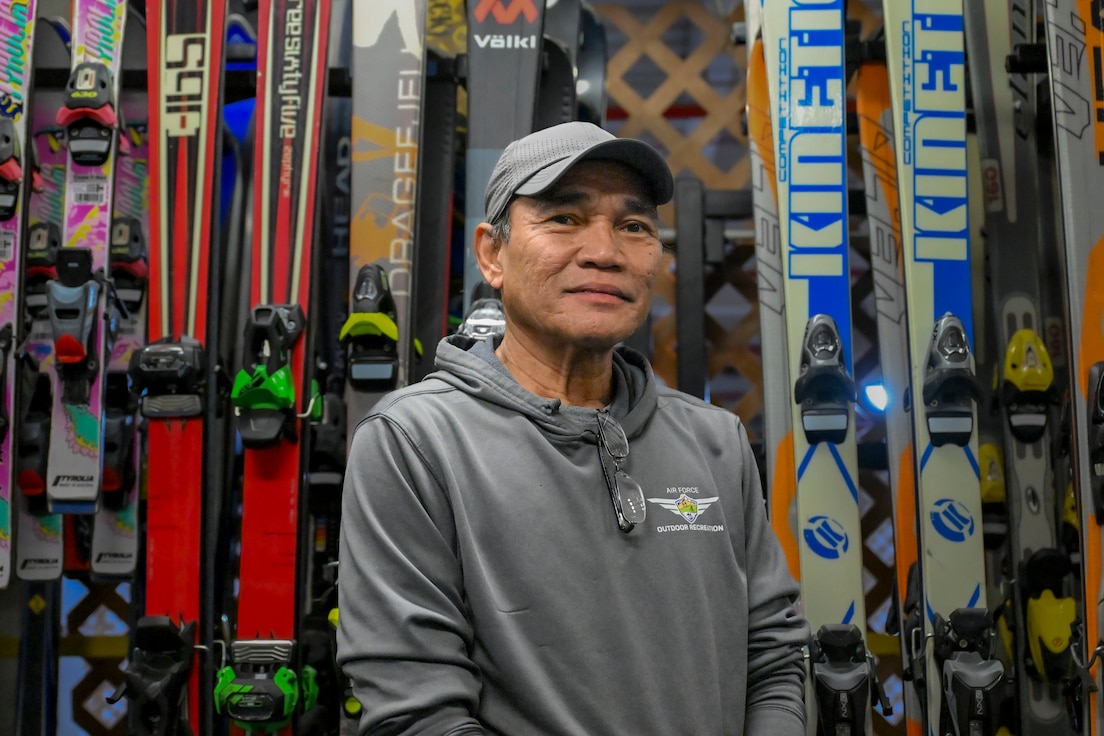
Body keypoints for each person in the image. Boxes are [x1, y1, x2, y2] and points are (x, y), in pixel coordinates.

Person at [337, 121, 809, 735]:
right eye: (564, 219)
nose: (605, 251)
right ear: (492, 254)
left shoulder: (715, 442)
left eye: (634, 226)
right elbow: (417, 710)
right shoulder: (414, 444)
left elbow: (773, 658)